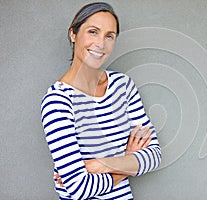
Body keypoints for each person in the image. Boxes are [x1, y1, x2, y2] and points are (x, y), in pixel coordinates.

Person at [40, 2, 161, 199]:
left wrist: (98, 164)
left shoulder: (123, 86)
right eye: (93, 32)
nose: (101, 44)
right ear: (73, 34)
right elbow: (79, 189)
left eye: (109, 36)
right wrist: (126, 162)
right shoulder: (58, 102)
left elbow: (154, 155)